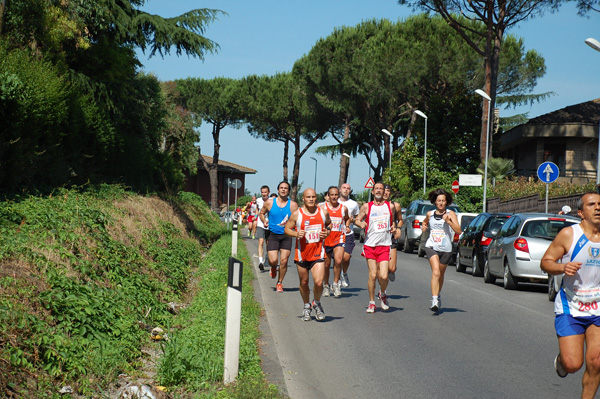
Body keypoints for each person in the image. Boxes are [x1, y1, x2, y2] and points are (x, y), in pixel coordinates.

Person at [541, 192, 600, 398]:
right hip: (571, 305)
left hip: (598, 307)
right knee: (574, 364)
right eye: (592, 204)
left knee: (596, 362)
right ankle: (563, 361)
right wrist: (563, 267)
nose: (598, 207)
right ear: (581, 212)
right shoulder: (569, 234)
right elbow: (546, 262)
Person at [284, 188, 331, 321]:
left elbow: (329, 225)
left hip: (318, 253)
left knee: (319, 282)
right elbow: (287, 229)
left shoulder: (323, 212)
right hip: (302, 254)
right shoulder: (297, 214)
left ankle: (316, 302)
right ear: (303, 199)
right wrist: (295, 234)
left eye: (313, 197)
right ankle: (306, 305)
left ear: (316, 198)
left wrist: (326, 232)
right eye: (308, 197)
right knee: (304, 282)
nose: (311, 199)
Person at [355, 182, 396, 313]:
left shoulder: (390, 206)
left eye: (381, 189)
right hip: (370, 245)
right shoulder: (367, 206)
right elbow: (357, 219)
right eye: (376, 189)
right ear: (372, 192)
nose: (379, 191)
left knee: (384, 276)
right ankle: (372, 302)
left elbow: (393, 221)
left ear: (384, 192)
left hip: (384, 245)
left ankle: (382, 294)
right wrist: (360, 223)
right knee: (372, 275)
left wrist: (395, 227)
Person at [421, 188, 461, 312]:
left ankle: (438, 294)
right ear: (435, 202)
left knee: (441, 274)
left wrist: (448, 221)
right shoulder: (430, 213)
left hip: (446, 248)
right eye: (439, 201)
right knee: (436, 272)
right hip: (432, 246)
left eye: (443, 201)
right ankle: (434, 300)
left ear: (446, 202)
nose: (441, 203)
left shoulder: (451, 214)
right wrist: (423, 226)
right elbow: (425, 222)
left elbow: (458, 231)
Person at [259, 181, 298, 292]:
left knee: (284, 261)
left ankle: (280, 283)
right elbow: (261, 213)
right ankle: (273, 267)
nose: (283, 190)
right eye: (281, 188)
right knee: (273, 260)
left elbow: (298, 219)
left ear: (289, 191)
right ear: (278, 190)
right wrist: (264, 220)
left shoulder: (293, 205)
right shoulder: (270, 203)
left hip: (286, 235)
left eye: (286, 188)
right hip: (273, 235)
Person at [320, 186, 349, 298]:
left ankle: (336, 284)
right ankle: (326, 285)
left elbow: (347, 218)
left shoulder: (343, 208)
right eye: (332, 194)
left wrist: (346, 226)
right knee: (326, 265)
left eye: (336, 194)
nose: (334, 197)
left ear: (339, 195)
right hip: (326, 239)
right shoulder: (323, 208)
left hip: (339, 237)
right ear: (328, 196)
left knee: (338, 260)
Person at [338, 183, 359, 288]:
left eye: (348, 189)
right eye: (344, 188)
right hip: (336, 234)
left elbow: (357, 218)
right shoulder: (335, 202)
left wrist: (353, 220)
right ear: (340, 190)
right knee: (337, 259)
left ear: (350, 191)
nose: (346, 190)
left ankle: (344, 273)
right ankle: (336, 280)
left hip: (348, 234)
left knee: (346, 258)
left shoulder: (354, 204)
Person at [383, 184, 403, 283]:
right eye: (384, 190)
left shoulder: (396, 205)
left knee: (392, 268)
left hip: (391, 237)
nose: (386, 193)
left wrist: (398, 228)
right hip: (378, 238)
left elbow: (400, 220)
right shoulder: (374, 205)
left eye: (388, 191)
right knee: (381, 268)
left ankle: (390, 271)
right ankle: (382, 290)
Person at [255, 186, 271, 270]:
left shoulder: (272, 200)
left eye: (265, 192)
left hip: (269, 225)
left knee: (268, 243)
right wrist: (255, 216)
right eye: (262, 192)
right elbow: (257, 210)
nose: (264, 194)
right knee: (261, 242)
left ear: (269, 192)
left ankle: (267, 257)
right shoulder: (258, 200)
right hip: (260, 224)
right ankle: (260, 261)